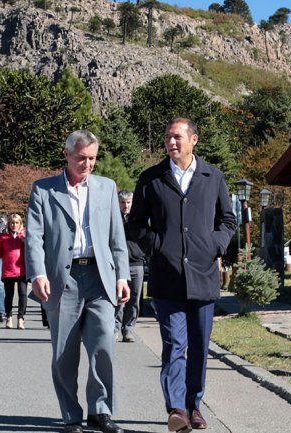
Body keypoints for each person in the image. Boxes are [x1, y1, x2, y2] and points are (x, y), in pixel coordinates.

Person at [127, 118, 236, 431]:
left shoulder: (213, 177)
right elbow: (135, 225)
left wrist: (215, 244)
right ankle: (176, 409)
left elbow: (227, 219)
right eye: (167, 138)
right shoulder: (151, 179)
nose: (171, 143)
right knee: (175, 344)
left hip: (203, 276)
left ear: (194, 140)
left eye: (177, 137)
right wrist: (158, 245)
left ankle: (193, 405)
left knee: (200, 346)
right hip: (167, 276)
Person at [26, 130, 130, 433]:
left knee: (103, 346)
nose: (87, 164)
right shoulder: (43, 190)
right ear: (67, 154)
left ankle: (101, 411)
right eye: (81, 158)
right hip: (63, 279)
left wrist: (122, 276)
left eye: (93, 159)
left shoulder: (106, 187)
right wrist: (38, 273)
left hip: (100, 277)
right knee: (64, 353)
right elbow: (34, 237)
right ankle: (71, 416)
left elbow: (116, 237)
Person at [115, 190, 145, 343]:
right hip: (118, 264)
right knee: (119, 298)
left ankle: (128, 329)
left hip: (136, 263)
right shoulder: (113, 217)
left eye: (128, 202)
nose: (125, 206)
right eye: (122, 202)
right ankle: (114, 328)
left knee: (134, 299)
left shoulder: (138, 219)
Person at [0, 213, 28, 329]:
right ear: (9, 224)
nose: (14, 225)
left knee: (22, 294)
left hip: (22, 269)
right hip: (8, 270)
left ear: (20, 224)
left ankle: (21, 318)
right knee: (9, 295)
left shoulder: (25, 234)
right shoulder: (3, 237)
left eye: (17, 222)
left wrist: (26, 241)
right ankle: (9, 317)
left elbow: (33, 250)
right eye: (12, 222)